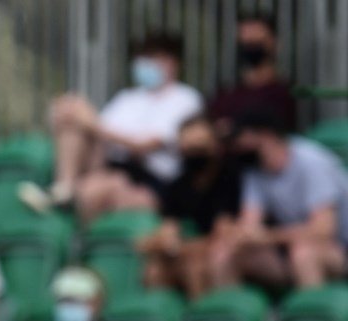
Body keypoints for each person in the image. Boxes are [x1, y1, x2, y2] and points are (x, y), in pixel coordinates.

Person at [24, 33, 203, 221]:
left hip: (150, 178)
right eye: (142, 57)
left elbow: (144, 145)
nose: (144, 63)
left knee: (92, 189)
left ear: (172, 62)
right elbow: (97, 131)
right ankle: (64, 187)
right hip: (109, 164)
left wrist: (91, 122)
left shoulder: (185, 99)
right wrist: (72, 114)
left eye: (152, 57)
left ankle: (65, 206)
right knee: (73, 113)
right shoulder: (127, 98)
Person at [214, 111, 348, 290]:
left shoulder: (312, 161)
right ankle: (227, 315)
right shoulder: (254, 169)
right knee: (225, 252)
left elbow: (322, 230)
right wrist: (235, 232)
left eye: (239, 137)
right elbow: (250, 223)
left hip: (339, 249)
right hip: (289, 249)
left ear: (266, 135)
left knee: (303, 253)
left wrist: (268, 236)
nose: (235, 146)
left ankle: (310, 316)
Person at [139, 115, 243, 299]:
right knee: (155, 269)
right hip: (193, 250)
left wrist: (180, 248)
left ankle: (203, 320)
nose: (194, 153)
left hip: (229, 252)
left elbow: (224, 234)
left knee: (195, 265)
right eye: (188, 147)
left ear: (215, 146)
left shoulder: (230, 178)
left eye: (200, 146)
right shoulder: (178, 185)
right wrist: (158, 242)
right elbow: (168, 229)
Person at [208, 13, 297, 137]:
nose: (249, 46)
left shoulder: (283, 93)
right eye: (245, 42)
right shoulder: (226, 93)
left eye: (256, 42)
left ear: (275, 43)